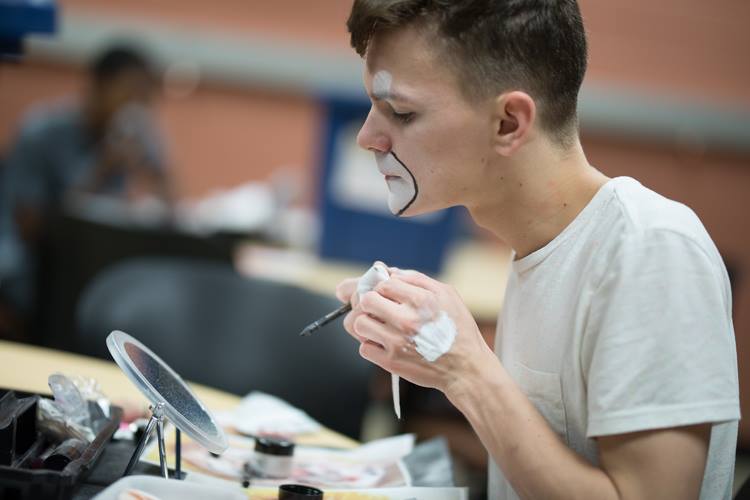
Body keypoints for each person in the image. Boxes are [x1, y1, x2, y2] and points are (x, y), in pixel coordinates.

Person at [335, 1, 739, 499]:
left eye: (401, 112)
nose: (367, 137)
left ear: (508, 123)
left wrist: (465, 370)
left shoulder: (649, 249)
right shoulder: (542, 247)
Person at [0, 44, 172, 330]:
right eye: (130, 92)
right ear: (98, 86)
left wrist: (155, 169)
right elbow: (28, 226)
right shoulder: (43, 131)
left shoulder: (133, 135)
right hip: (30, 261)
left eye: (145, 96)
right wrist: (103, 168)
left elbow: (172, 206)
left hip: (86, 259)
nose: (137, 104)